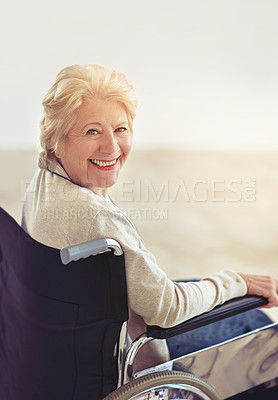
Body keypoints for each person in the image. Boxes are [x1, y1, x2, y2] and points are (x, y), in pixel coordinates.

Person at [22, 64, 278, 371]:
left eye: (120, 129)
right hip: (127, 364)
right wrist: (239, 281)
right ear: (56, 140)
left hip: (72, 348)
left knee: (208, 294)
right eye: (92, 131)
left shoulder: (43, 183)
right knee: (256, 322)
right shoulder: (96, 219)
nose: (111, 147)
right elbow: (165, 309)